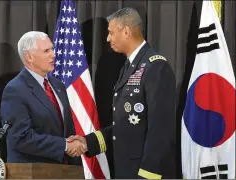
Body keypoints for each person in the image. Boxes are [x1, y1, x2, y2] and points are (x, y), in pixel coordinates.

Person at [68, 7, 177, 178]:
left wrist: (149, 174)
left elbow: (160, 129)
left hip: (146, 173)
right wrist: (89, 142)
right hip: (127, 170)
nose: (108, 38)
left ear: (126, 31)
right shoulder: (129, 66)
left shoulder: (155, 67)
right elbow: (127, 125)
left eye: (111, 32)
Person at [0, 31, 86, 164]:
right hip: (32, 171)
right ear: (29, 57)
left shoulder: (58, 85)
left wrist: (75, 144)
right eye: (46, 51)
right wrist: (64, 145)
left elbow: (64, 129)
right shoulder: (15, 90)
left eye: (52, 49)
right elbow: (20, 137)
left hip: (64, 170)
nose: (53, 54)